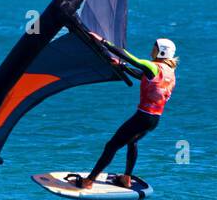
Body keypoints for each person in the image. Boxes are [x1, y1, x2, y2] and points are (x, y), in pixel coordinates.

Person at [69, 36, 177, 190]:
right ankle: (126, 178)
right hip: (154, 120)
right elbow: (141, 76)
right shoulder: (169, 72)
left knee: (111, 146)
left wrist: (104, 42)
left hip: (142, 116)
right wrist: (122, 66)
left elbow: (129, 57)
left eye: (155, 47)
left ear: (161, 52)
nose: (151, 50)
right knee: (132, 142)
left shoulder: (153, 67)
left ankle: (89, 181)